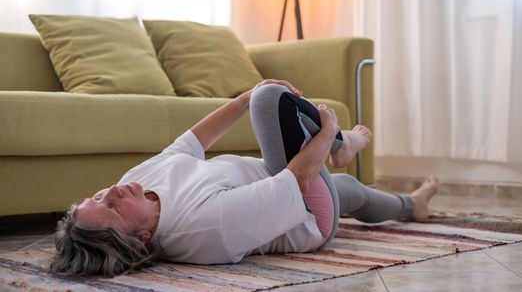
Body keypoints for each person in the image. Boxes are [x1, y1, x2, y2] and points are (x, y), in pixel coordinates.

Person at [51, 80, 438, 277]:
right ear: (140, 238)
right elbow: (297, 180)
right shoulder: (202, 230)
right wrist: (326, 133)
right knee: (270, 99)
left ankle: (411, 205)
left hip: (278, 179)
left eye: (100, 196)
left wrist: (241, 98)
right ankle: (343, 144)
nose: (114, 192)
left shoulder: (136, 182)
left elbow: (191, 143)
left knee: (349, 190)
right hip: (304, 212)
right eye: (114, 209)